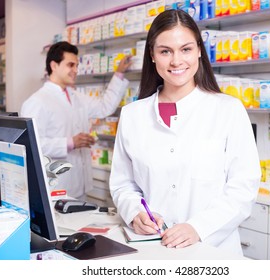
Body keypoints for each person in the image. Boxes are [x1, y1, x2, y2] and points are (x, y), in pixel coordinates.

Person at [109, 9, 261, 255]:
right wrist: (135, 212)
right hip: (152, 249)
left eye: (186, 49)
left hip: (213, 251)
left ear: (200, 50)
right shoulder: (132, 115)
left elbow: (243, 187)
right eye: (165, 51)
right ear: (152, 55)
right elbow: (123, 184)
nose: (176, 61)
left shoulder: (228, 110)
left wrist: (198, 227)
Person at [21, 41, 132, 199]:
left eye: (76, 65)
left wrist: (119, 74)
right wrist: (70, 142)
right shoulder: (37, 102)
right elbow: (32, 145)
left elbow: (104, 107)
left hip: (79, 185)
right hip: (56, 188)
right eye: (70, 65)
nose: (75, 70)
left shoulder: (76, 96)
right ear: (54, 66)